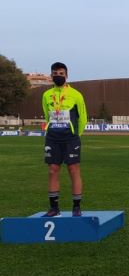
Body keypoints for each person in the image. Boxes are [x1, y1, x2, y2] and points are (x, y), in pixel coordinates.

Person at [42, 62, 87, 217]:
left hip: (70, 139)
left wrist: (76, 135)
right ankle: (54, 208)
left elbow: (83, 117)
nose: (58, 76)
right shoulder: (46, 95)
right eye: (55, 73)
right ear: (51, 75)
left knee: (73, 170)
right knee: (52, 170)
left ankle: (76, 207)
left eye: (61, 73)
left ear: (66, 75)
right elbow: (47, 115)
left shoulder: (76, 94)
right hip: (53, 138)